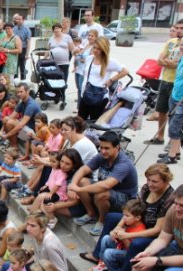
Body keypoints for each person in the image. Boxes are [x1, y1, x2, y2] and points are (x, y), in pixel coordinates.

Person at [80, 163, 175, 271]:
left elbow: (156, 230)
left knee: (136, 243)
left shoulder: (169, 198)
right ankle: (97, 256)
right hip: (137, 220)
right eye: (148, 180)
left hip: (151, 232)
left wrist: (126, 235)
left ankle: (124, 268)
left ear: (166, 181)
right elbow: (132, 209)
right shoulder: (146, 188)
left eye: (154, 181)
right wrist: (118, 227)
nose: (149, 184)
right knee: (111, 217)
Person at [68, 131, 138, 236]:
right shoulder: (102, 156)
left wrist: (78, 190)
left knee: (101, 193)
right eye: (101, 147)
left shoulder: (123, 164)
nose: (103, 151)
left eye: (107, 148)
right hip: (108, 191)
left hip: (125, 199)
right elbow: (83, 169)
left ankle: (101, 221)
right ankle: (91, 213)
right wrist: (72, 185)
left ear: (117, 147)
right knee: (82, 181)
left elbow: (106, 185)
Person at [143, 19, 183, 147]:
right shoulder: (170, 42)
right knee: (161, 110)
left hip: (177, 84)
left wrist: (168, 62)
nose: (178, 30)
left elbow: (178, 64)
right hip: (165, 79)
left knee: (175, 114)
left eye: (181, 28)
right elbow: (159, 60)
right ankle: (160, 138)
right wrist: (170, 63)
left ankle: (173, 143)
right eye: (177, 28)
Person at [131, 184, 183, 271]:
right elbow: (163, 239)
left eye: (182, 205)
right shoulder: (173, 210)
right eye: (175, 203)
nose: (177, 208)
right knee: (140, 266)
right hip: (178, 247)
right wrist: (148, 252)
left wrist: (157, 260)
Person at [79, 37, 129, 121]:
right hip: (85, 93)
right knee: (79, 122)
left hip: (100, 97)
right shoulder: (89, 59)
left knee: (94, 123)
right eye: (94, 47)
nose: (95, 50)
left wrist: (111, 80)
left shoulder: (109, 61)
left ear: (104, 49)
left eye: (98, 49)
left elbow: (125, 71)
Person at [94, 199, 146, 271]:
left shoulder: (140, 230)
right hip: (121, 247)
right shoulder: (129, 223)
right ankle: (103, 263)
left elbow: (131, 250)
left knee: (108, 253)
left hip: (128, 253)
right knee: (106, 238)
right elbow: (116, 234)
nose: (124, 218)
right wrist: (114, 233)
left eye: (127, 216)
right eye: (123, 215)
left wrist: (123, 238)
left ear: (138, 218)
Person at [157, 38, 183, 164]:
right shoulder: (181, 58)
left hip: (181, 100)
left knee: (174, 128)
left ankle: (172, 156)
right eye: (181, 45)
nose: (182, 47)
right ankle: (176, 151)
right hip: (175, 95)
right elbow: (164, 61)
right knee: (173, 124)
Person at [0, 83, 40, 148]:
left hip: (33, 132)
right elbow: (10, 117)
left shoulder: (31, 105)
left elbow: (20, 125)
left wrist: (6, 136)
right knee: (6, 119)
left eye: (21, 92)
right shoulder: (22, 103)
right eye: (18, 92)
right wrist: (1, 131)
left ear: (27, 91)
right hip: (26, 128)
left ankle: (14, 147)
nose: (19, 94)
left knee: (10, 122)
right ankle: (12, 143)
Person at [74, 30, 99, 112]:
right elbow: (80, 53)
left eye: (92, 36)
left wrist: (83, 59)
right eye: (89, 35)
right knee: (78, 88)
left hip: (84, 71)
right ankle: (78, 106)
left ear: (96, 38)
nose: (90, 37)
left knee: (82, 89)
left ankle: (81, 108)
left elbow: (92, 59)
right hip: (79, 69)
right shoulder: (86, 44)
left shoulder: (94, 47)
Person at [12, 14, 31, 80]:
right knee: (15, 67)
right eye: (17, 19)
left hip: (23, 49)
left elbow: (28, 42)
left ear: (23, 20)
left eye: (20, 19)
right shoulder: (14, 29)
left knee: (22, 67)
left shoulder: (27, 29)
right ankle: (15, 81)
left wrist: (27, 54)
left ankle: (23, 81)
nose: (18, 20)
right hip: (15, 49)